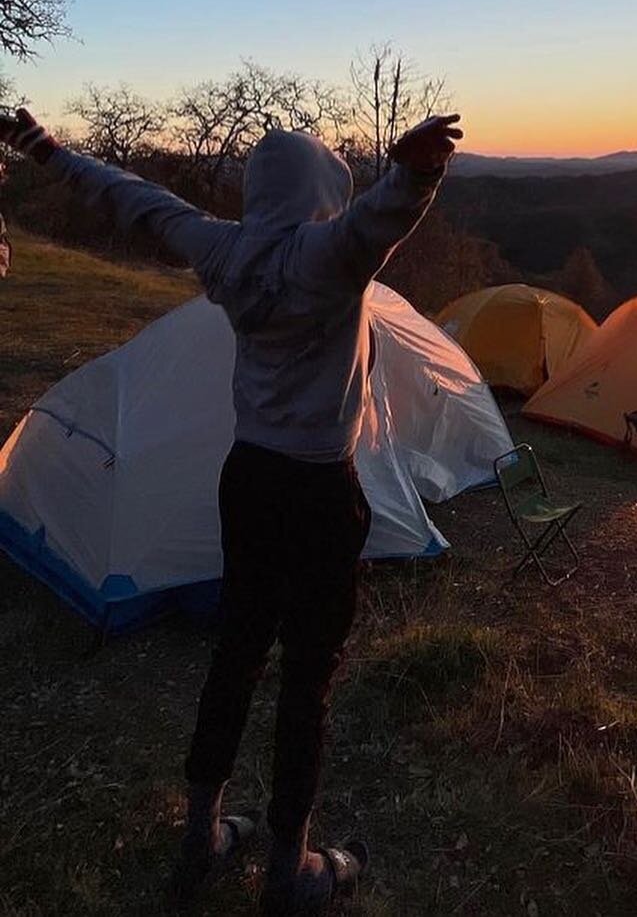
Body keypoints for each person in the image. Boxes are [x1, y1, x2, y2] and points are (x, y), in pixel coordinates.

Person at [0, 104, 463, 913]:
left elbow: (130, 197)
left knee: (236, 655)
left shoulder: (221, 246)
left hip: (247, 478)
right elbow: (377, 221)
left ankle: (199, 838)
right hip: (321, 493)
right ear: (322, 191)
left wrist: (48, 151)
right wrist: (417, 173)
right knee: (307, 681)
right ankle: (291, 870)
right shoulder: (329, 255)